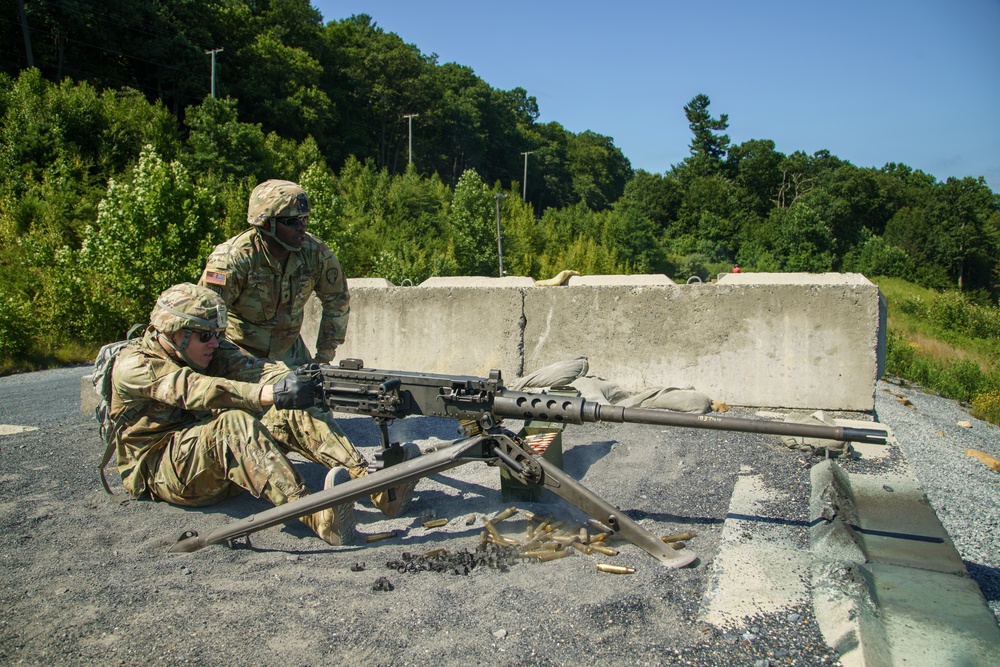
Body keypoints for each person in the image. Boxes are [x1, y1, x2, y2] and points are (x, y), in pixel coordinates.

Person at [109, 283, 411, 546]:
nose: (214, 343)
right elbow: (196, 389)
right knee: (235, 424)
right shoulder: (134, 365)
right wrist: (269, 394)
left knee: (288, 407)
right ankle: (316, 516)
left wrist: (292, 384)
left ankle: (376, 488)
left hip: (210, 458)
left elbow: (255, 370)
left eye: (217, 334)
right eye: (205, 336)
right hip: (162, 470)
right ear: (175, 334)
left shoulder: (204, 348)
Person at [198, 179, 348, 367]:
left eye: (305, 219)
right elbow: (206, 318)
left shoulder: (316, 254)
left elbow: (337, 301)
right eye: (292, 221)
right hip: (240, 355)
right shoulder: (233, 260)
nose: (302, 227)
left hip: (291, 355)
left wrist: (323, 358)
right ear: (267, 224)